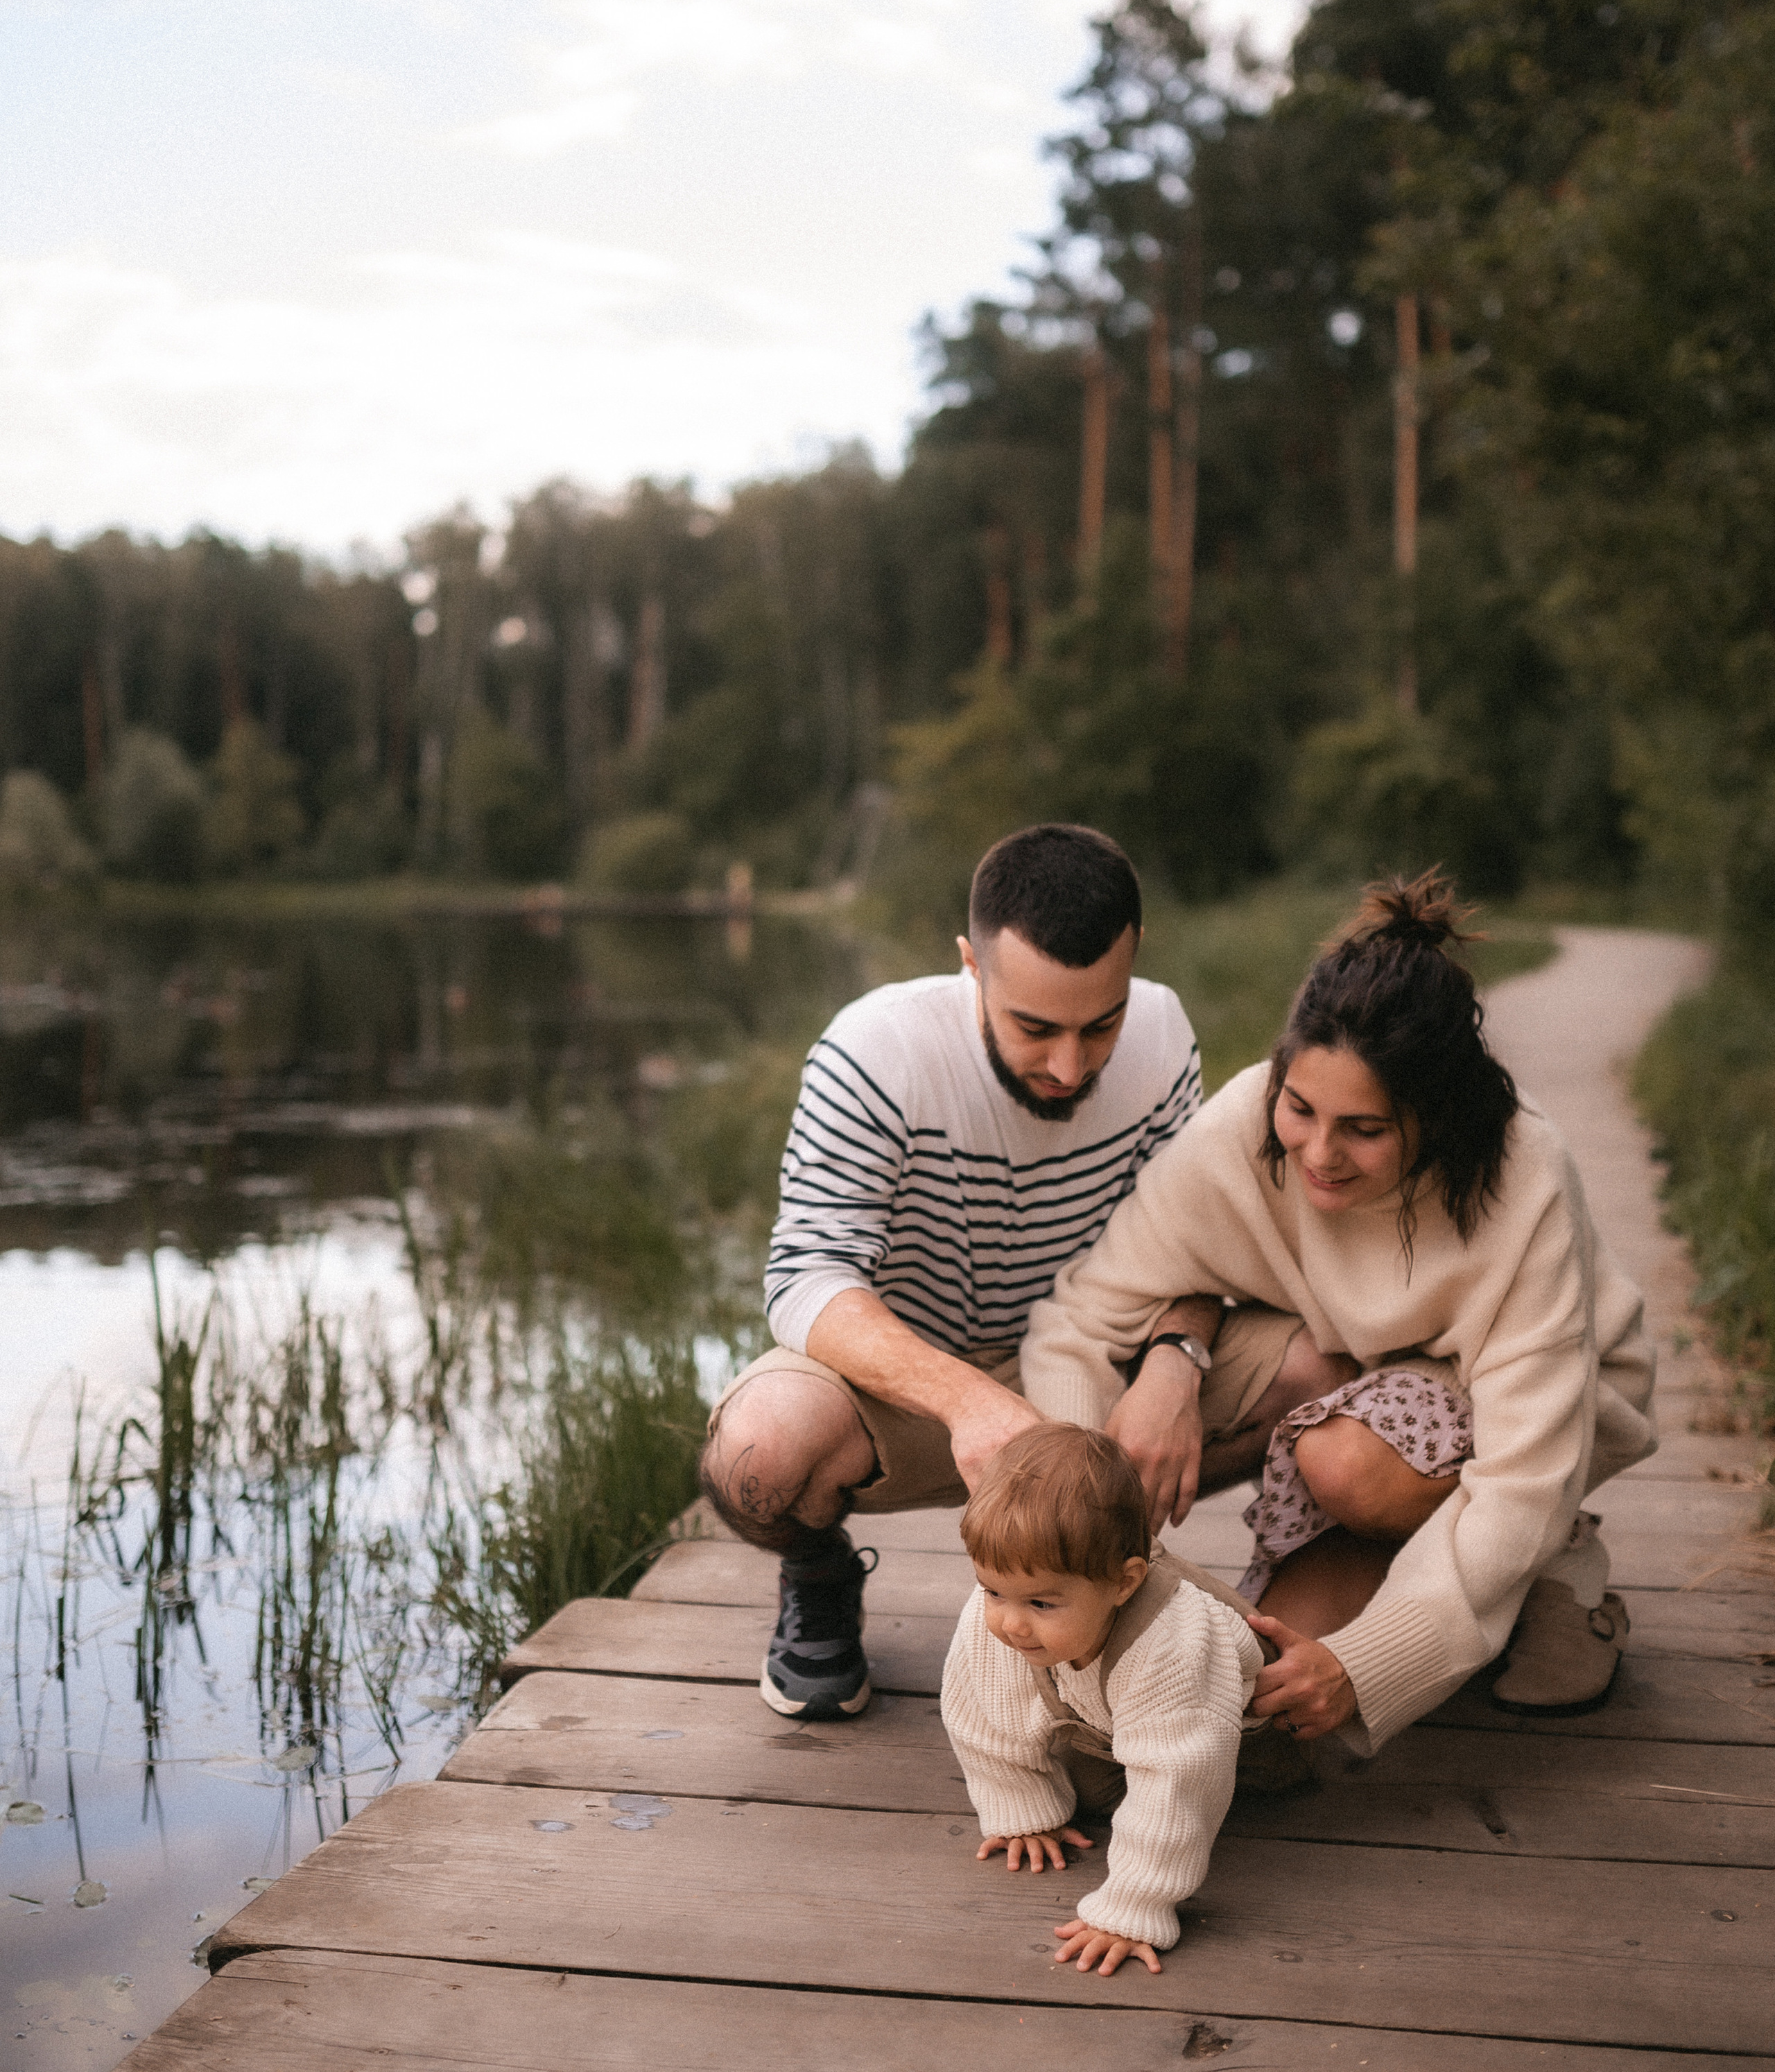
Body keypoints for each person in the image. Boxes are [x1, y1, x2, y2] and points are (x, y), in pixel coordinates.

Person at [1021, 874, 1656, 1751]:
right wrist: (1069, 1513)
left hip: (1527, 1416)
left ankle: (1556, 1563)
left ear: (1432, 1118)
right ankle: (1440, 1575)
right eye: (1300, 1107)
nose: (1318, 1152)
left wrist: (1364, 1663)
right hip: (1347, 1377)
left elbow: (1523, 1474)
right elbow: (1080, 1319)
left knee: (1351, 1478)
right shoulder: (1243, 1125)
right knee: (1264, 1696)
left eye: (1364, 1128)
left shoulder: (1523, 1175)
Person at [701, 821, 1270, 1723]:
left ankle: (1296, 1605)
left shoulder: (1164, 1033)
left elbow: (1191, 1243)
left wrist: (1176, 1360)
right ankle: (819, 1571)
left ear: (1136, 961)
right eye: (1035, 1027)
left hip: (1095, 1358)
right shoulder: (874, 1053)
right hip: (914, 1390)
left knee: (1320, 1367)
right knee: (756, 1455)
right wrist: (970, 1401)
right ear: (972, 962)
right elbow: (808, 1280)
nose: (1070, 1065)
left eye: (1101, 1024)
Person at [942, 1422, 1265, 1979]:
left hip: (1238, 1735)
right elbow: (982, 1712)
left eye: (1042, 1603)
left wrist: (1134, 1907)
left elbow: (1179, 1780)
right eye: (993, 1590)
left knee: (1196, 1788)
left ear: (1124, 1583)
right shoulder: (999, 1616)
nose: (1010, 1622)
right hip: (1103, 1726)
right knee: (1095, 1789)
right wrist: (1022, 1810)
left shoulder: (1173, 1642)